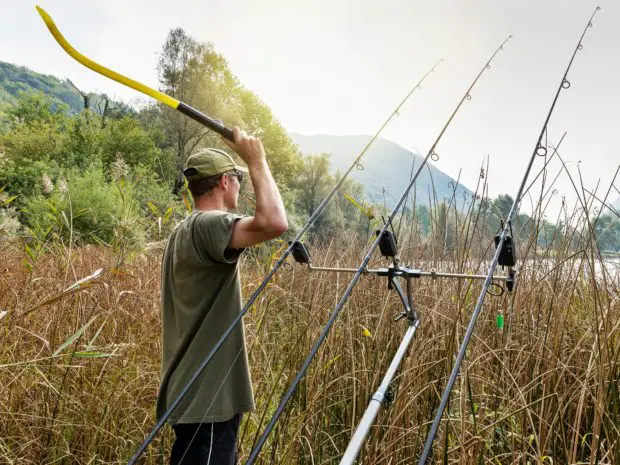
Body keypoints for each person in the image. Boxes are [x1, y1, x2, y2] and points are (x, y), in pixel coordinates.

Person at [157, 126, 288, 465]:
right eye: (239, 178)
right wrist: (257, 161)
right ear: (224, 182)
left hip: (197, 398)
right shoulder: (209, 224)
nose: (241, 185)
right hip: (207, 402)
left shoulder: (183, 231)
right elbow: (274, 222)